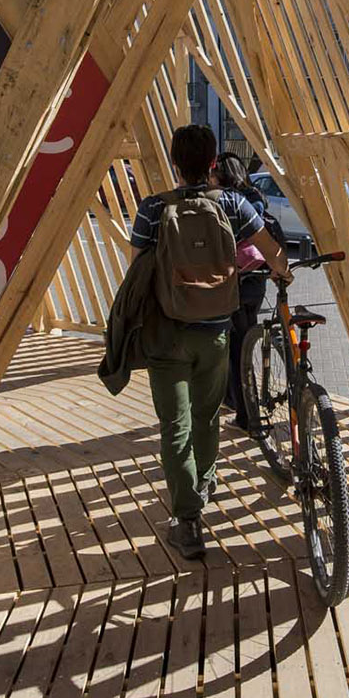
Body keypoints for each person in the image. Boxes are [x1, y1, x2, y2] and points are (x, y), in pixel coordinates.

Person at [129, 125, 289, 559]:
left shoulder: (153, 208)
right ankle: (204, 482)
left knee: (174, 426)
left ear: (175, 164)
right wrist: (283, 273)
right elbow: (271, 251)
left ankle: (187, 521)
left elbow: (136, 269)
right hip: (216, 331)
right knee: (207, 416)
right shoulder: (234, 204)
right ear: (213, 163)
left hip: (167, 334)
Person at [215, 151, 281, 430]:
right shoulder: (255, 196)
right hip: (256, 281)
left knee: (236, 351)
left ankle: (245, 414)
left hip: (234, 282)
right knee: (245, 341)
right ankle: (237, 401)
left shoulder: (227, 201)